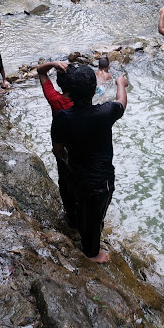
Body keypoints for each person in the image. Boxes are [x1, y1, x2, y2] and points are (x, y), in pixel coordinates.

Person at [51, 65, 128, 263]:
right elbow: (121, 102)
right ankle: (93, 254)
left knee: (81, 205)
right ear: (94, 91)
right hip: (100, 182)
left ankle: (75, 221)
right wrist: (120, 84)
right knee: (95, 218)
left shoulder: (62, 118)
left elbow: (58, 149)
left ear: (69, 92)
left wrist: (68, 161)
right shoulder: (105, 112)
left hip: (75, 174)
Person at [36, 60, 76, 225]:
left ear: (59, 83)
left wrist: (52, 64)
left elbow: (41, 72)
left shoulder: (55, 100)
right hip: (79, 147)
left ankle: (69, 211)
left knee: (64, 178)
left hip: (61, 147)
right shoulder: (83, 100)